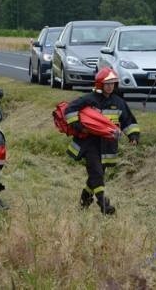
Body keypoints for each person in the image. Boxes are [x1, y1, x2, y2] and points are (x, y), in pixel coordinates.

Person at [65, 67, 140, 215]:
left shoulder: (119, 102)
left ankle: (84, 201)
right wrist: (79, 127)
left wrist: (133, 136)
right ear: (100, 84)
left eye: (113, 83)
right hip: (89, 144)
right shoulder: (89, 100)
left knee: (95, 176)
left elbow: (128, 121)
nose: (110, 86)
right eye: (107, 83)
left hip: (108, 146)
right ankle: (104, 205)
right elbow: (70, 110)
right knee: (97, 174)